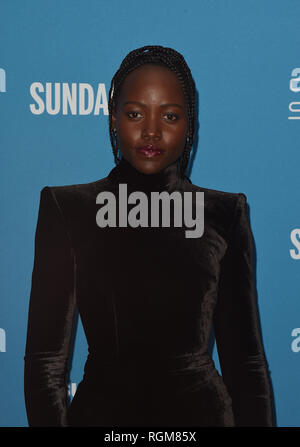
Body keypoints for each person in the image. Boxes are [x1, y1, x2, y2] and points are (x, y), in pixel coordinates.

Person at [24, 45, 275, 427]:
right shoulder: (67, 210)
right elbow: (45, 362)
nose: (152, 131)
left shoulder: (225, 215)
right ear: (113, 119)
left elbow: (245, 362)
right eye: (135, 113)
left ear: (190, 125)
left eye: (170, 116)